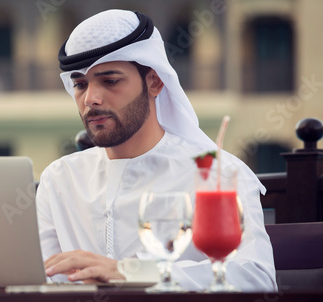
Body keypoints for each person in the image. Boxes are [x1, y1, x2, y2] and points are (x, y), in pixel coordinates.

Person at [36, 9, 277, 292]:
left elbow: (257, 277)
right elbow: (40, 277)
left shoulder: (216, 173)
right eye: (80, 84)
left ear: (154, 82)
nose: (91, 99)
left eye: (110, 81)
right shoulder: (59, 179)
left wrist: (130, 272)